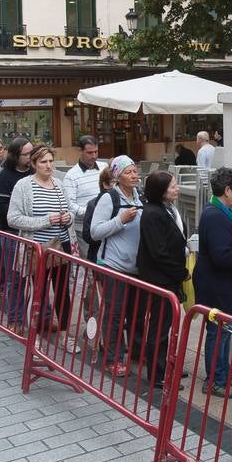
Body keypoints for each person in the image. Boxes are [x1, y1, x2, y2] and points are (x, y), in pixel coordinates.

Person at [194, 166, 232, 397]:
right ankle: (214, 381)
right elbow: (222, 257)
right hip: (216, 287)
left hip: (223, 285)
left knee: (224, 332)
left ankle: (222, 373)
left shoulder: (219, 212)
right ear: (227, 190)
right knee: (217, 333)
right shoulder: (215, 216)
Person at [8, 145, 77, 346]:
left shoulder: (59, 184)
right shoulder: (23, 185)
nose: (48, 165)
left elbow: (70, 211)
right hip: (35, 248)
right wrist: (47, 220)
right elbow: (13, 218)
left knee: (63, 293)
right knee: (37, 293)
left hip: (60, 246)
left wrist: (68, 218)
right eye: (43, 162)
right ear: (33, 164)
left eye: (50, 161)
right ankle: (34, 335)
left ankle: (65, 335)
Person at [91, 156, 146, 378]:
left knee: (136, 313)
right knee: (115, 314)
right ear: (116, 176)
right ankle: (112, 359)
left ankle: (134, 351)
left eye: (135, 171)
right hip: (113, 265)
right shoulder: (109, 199)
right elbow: (95, 231)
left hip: (136, 267)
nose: (134, 175)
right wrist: (120, 220)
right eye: (128, 172)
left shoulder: (140, 197)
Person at [135, 170, 189, 388]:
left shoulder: (165, 210)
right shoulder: (153, 214)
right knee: (159, 327)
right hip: (161, 279)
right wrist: (180, 272)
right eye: (173, 186)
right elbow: (159, 253)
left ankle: (165, 365)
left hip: (168, 276)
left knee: (166, 325)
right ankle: (157, 374)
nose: (177, 189)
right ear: (162, 191)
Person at [62, 136, 105, 251]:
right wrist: (91, 211)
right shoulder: (71, 176)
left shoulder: (104, 168)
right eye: (89, 152)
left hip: (104, 226)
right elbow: (69, 205)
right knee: (88, 265)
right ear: (80, 151)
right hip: (83, 230)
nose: (94, 156)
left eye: (96, 152)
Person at [0, 137, 35, 231]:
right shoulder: (4, 176)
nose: (31, 157)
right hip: (12, 233)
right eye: (26, 154)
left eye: (32, 152)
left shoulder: (36, 172)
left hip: (36, 231)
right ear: (15, 156)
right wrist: (21, 212)